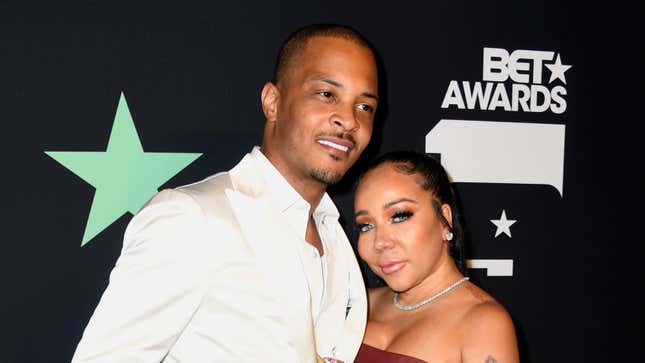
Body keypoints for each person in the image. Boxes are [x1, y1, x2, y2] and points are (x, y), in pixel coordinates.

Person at [72, 24, 379, 363]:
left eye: (365, 106)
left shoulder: (333, 230)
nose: (349, 120)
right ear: (273, 102)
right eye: (326, 94)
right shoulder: (191, 219)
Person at [353, 151, 519, 363]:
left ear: (444, 220)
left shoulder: (484, 323)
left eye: (399, 216)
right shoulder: (359, 302)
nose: (380, 242)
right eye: (366, 225)